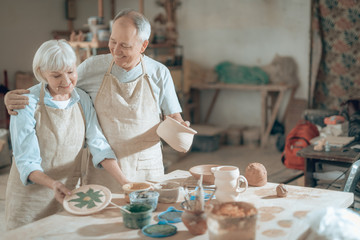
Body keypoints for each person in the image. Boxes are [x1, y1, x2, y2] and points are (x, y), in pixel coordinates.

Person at [5, 9, 189, 192]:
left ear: (143, 45)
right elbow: (59, 87)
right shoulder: (92, 67)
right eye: (113, 41)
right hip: (102, 168)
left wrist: (182, 128)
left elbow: (173, 116)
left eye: (124, 45)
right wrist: (15, 97)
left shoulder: (159, 73)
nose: (116, 50)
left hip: (147, 166)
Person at [5, 39, 129, 230]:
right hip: (30, 199)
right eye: (56, 76)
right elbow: (26, 162)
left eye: (71, 72)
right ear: (41, 73)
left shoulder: (82, 99)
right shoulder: (26, 103)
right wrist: (53, 184)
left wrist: (125, 182)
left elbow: (99, 145)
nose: (66, 81)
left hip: (68, 193)